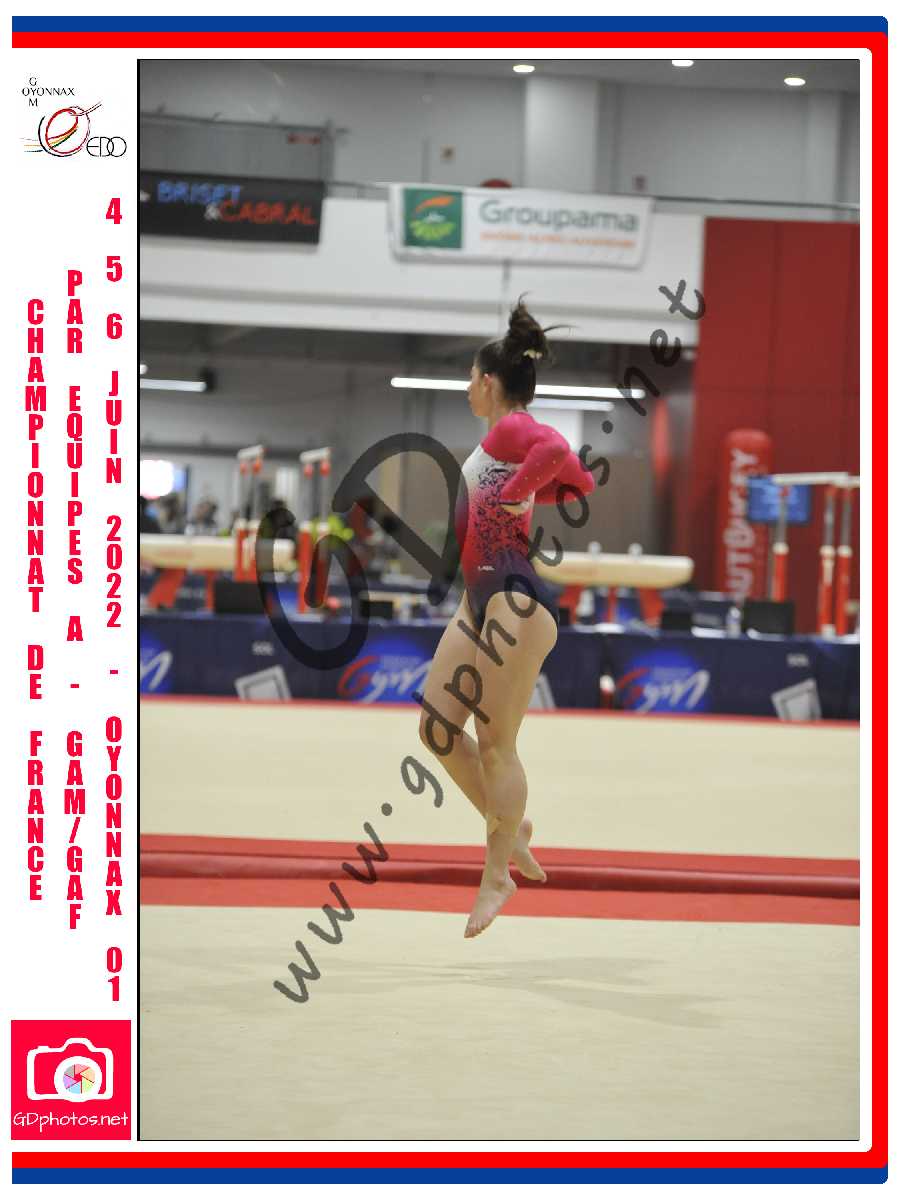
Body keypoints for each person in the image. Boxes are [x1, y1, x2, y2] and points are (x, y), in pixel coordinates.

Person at [418, 300, 596, 937]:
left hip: (514, 598)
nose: (468, 387)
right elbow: (580, 483)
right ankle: (511, 828)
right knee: (438, 728)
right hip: (482, 596)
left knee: (496, 744)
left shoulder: (512, 429)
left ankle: (496, 875)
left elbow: (558, 449)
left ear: (489, 382)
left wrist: (522, 489)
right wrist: (532, 488)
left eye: (470, 377)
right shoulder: (500, 440)